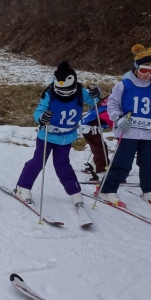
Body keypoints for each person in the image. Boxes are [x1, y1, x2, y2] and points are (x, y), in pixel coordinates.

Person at [14, 61, 100, 211]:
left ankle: (75, 192)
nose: (65, 93)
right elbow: (38, 111)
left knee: (63, 165)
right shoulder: (49, 93)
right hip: (47, 135)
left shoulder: (80, 91)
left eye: (68, 90)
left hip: (67, 136)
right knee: (38, 162)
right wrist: (41, 118)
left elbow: (94, 101)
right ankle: (22, 187)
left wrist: (96, 94)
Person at [98, 44, 151, 208]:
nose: (147, 75)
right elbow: (112, 105)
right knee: (122, 163)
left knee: (150, 163)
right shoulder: (124, 85)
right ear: (136, 68)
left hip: (148, 133)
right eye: (144, 70)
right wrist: (118, 119)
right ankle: (108, 189)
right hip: (128, 131)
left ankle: (149, 190)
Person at [79, 94, 113, 181]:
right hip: (90, 129)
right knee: (100, 149)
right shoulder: (107, 109)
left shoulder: (104, 103)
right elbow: (112, 122)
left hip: (89, 127)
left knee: (98, 147)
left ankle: (96, 165)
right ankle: (101, 171)